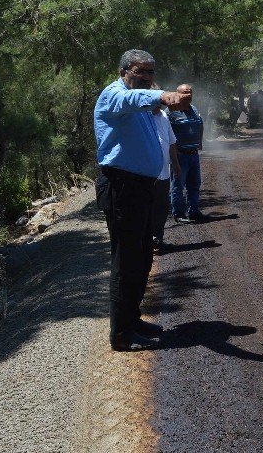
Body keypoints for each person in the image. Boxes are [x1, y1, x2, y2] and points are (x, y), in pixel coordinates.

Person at [94, 49, 190, 352]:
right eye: (141, 72)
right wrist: (165, 96)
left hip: (142, 187)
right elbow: (133, 100)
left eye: (151, 72)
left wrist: (168, 99)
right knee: (126, 261)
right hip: (122, 188)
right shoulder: (115, 95)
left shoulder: (143, 101)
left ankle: (133, 320)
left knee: (143, 255)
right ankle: (121, 335)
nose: (147, 77)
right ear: (124, 71)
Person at [168, 83, 204, 223]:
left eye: (190, 93)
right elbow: (166, 133)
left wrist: (200, 141)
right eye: (185, 93)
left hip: (193, 154)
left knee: (194, 184)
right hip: (180, 155)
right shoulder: (171, 112)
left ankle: (194, 211)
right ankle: (179, 213)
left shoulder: (194, 109)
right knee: (178, 185)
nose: (188, 95)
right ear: (177, 94)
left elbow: (200, 124)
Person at [150, 84, 179, 252]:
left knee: (162, 207)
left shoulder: (163, 116)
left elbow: (172, 142)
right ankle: (146, 242)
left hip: (164, 173)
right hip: (147, 174)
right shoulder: (142, 117)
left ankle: (157, 239)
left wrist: (175, 164)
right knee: (147, 208)